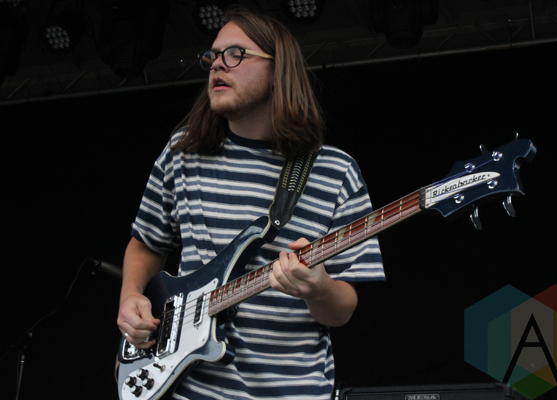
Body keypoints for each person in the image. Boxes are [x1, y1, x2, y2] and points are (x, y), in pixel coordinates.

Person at [117, 6, 385, 400]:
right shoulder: (182, 153)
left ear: (279, 72)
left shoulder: (335, 171)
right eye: (213, 55)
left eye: (235, 54)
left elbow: (341, 310)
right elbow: (146, 244)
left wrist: (318, 288)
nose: (217, 64)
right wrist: (130, 297)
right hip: (193, 388)